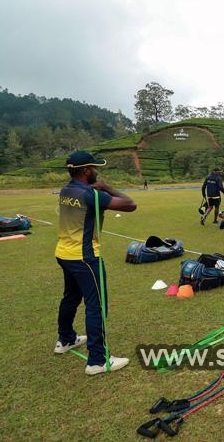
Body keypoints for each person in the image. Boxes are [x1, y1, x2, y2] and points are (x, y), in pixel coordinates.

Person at [54, 151, 137, 375]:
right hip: (85, 257)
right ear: (85, 170)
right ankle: (98, 360)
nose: (97, 172)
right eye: (94, 168)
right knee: (96, 305)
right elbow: (131, 204)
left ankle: (65, 339)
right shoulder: (89, 194)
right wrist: (107, 187)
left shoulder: (67, 189)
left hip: (64, 253)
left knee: (71, 297)